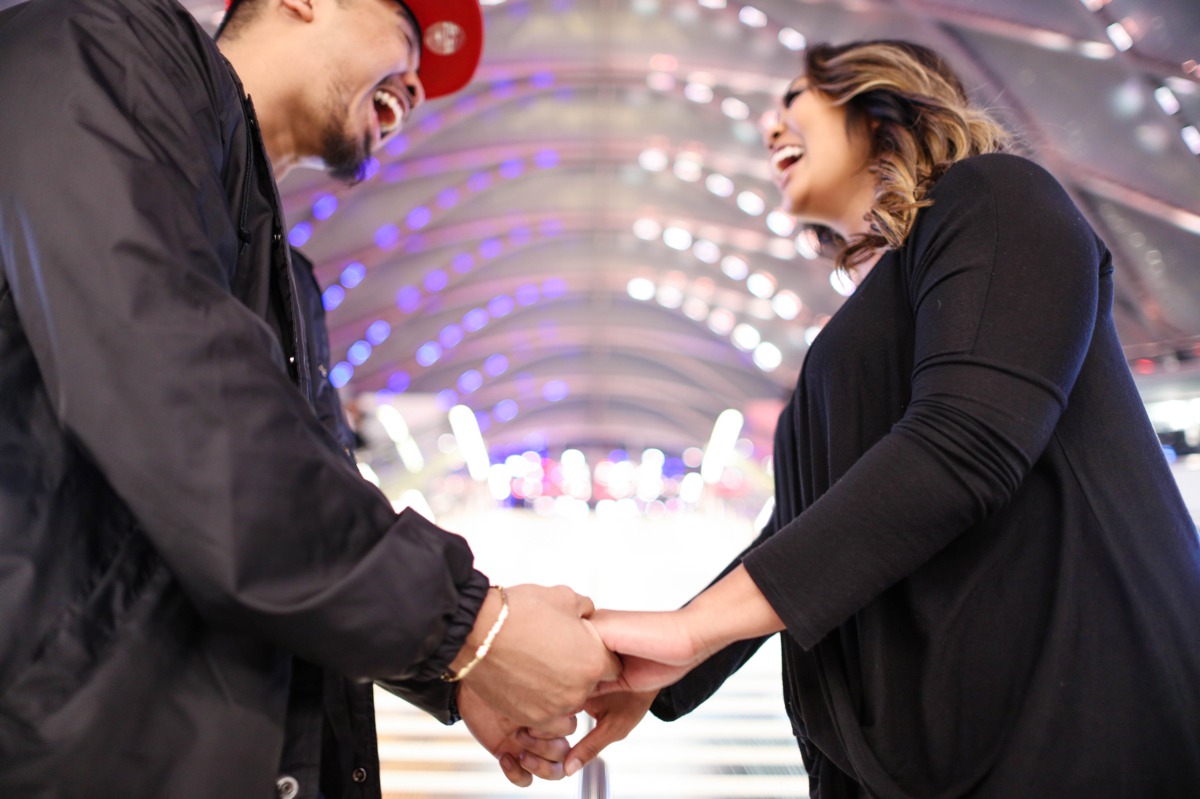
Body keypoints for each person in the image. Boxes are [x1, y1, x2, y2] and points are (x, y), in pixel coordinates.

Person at [0, 0, 617, 795]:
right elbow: (190, 414)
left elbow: (295, 508)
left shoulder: (284, 281)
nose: (419, 84)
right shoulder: (99, 55)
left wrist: (457, 676)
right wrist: (472, 629)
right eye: (407, 34)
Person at [564, 40, 1200, 798]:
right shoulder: (882, 307)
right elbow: (814, 522)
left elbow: (962, 443)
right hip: (933, 751)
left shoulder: (998, 196)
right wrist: (676, 665)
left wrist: (694, 629)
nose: (771, 130)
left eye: (795, 100)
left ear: (876, 100)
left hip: (1066, 730)